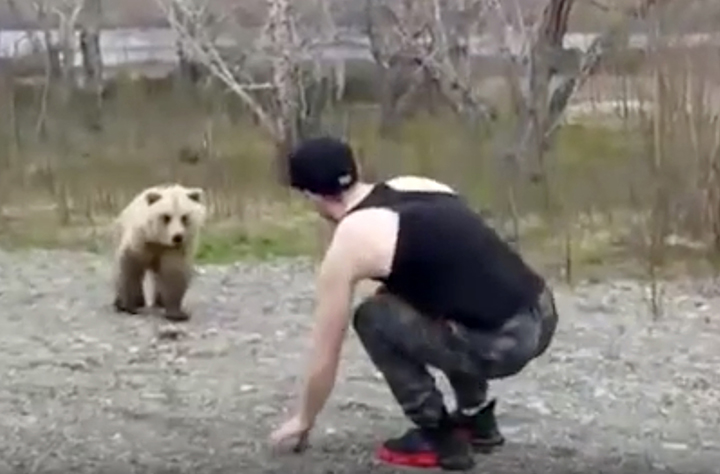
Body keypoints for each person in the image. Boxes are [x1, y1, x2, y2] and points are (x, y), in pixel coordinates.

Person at [268, 137, 559, 471]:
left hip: (503, 343)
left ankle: (439, 436)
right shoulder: (416, 185)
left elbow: (325, 353)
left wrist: (304, 419)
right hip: (542, 309)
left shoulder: (351, 238)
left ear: (311, 195)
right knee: (421, 297)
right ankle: (475, 418)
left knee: (373, 317)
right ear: (355, 169)